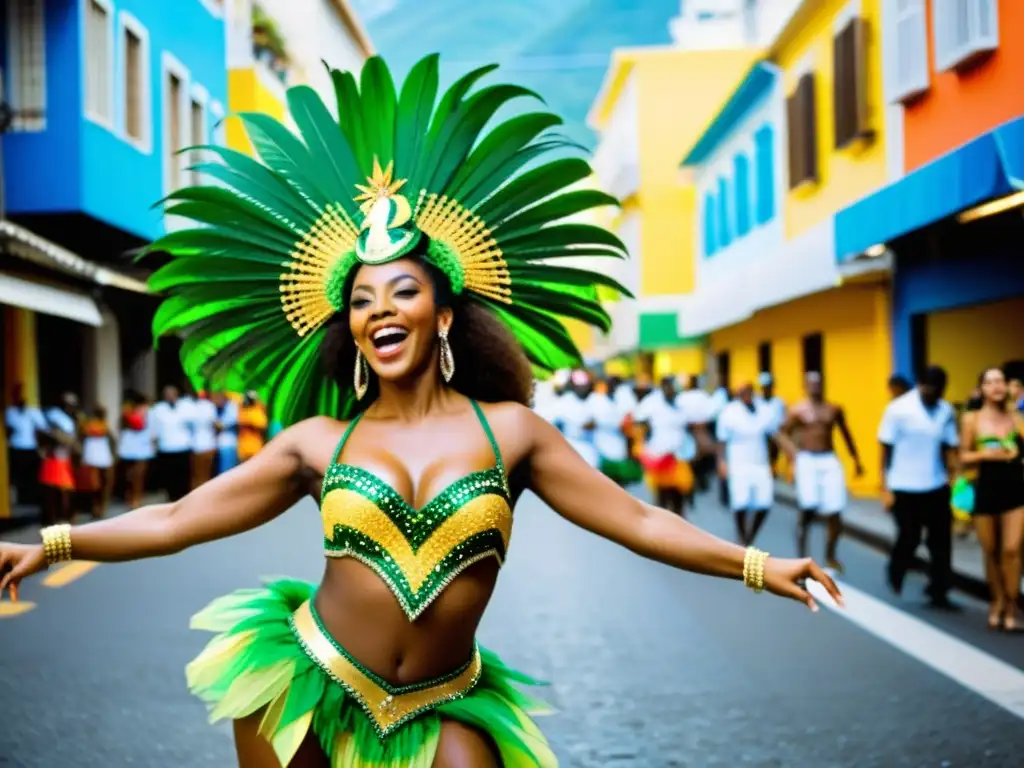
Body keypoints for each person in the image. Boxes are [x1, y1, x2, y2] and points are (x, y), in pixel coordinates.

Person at [0, 54, 840, 768]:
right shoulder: (315, 444)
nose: (380, 309)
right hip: (310, 682)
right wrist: (51, 545)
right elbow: (179, 518)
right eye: (362, 300)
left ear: (443, 315)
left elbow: (636, 520)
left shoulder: (511, 432)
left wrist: (760, 567)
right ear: (350, 327)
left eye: (403, 291)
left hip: (445, 703)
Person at [879, 366, 959, 609]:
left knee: (941, 542)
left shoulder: (946, 410)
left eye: (937, 389)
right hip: (904, 485)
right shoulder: (898, 409)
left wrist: (953, 478)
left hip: (936, 484)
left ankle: (939, 591)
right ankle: (896, 570)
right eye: (928, 387)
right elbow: (885, 447)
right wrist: (885, 486)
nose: (932, 393)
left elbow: (949, 446)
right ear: (920, 385)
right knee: (909, 536)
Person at [958, 367, 1024, 631]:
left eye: (1000, 381)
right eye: (990, 382)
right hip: (985, 489)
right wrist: (987, 455)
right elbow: (962, 456)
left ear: (1007, 387)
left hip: (1016, 489)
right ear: (982, 389)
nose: (996, 386)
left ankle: (1011, 605)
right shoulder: (971, 420)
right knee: (991, 551)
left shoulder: (1018, 418)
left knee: (1012, 550)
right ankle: (996, 601)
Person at [780, 372, 864, 572]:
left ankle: (830, 555)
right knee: (808, 508)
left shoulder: (833, 409)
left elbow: (846, 433)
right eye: (811, 384)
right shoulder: (798, 410)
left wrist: (856, 460)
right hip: (808, 459)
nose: (815, 387)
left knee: (835, 510)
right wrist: (792, 453)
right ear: (805, 386)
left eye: (818, 383)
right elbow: (782, 433)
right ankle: (802, 558)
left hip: (829, 459)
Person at [716, 382, 790, 546]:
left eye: (750, 391)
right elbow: (721, 440)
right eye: (743, 392)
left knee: (764, 503)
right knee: (740, 503)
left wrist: (791, 453)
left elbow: (775, 434)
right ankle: (742, 538)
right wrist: (721, 461)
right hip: (738, 463)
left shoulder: (763, 410)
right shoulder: (729, 412)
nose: (747, 395)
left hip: (760, 463)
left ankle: (749, 538)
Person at [634, 376, 692, 516]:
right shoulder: (652, 403)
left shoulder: (680, 403)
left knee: (679, 494)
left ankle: (679, 528)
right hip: (659, 456)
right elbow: (639, 422)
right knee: (663, 498)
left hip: (679, 455)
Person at [587, 376, 642, 486]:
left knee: (619, 488)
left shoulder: (624, 399)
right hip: (601, 454)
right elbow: (587, 423)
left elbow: (630, 425)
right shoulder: (595, 400)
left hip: (620, 453)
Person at [38, 393, 80, 525]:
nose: (70, 407)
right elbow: (46, 434)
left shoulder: (73, 418)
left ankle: (66, 516)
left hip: (66, 458)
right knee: (51, 491)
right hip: (54, 458)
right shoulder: (53, 415)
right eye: (68, 404)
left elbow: (72, 440)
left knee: (66, 491)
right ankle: (52, 518)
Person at [4, 383, 47, 507]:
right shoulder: (10, 412)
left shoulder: (33, 411)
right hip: (15, 448)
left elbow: (43, 428)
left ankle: (31, 499)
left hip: (31, 447)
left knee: (32, 476)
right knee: (16, 476)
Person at [149, 385, 194, 502]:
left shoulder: (186, 406)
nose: (170, 397)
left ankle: (184, 500)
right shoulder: (158, 409)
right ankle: (171, 499)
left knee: (183, 478)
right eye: (168, 394)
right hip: (166, 449)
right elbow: (153, 429)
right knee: (169, 478)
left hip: (183, 447)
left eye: (173, 394)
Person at [552, 369, 599, 468]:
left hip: (590, 455)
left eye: (585, 385)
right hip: (574, 455)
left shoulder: (590, 400)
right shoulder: (564, 402)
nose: (584, 388)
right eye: (580, 385)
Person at [76, 405, 116, 519]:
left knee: (102, 483)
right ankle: (97, 506)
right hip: (93, 456)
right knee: (95, 484)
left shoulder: (104, 425)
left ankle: (100, 506)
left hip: (102, 455)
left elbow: (112, 441)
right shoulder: (87, 425)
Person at [118, 391, 153, 509]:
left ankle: (137, 498)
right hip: (130, 445)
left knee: (139, 474)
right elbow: (137, 424)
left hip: (141, 445)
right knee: (130, 474)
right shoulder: (127, 412)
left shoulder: (147, 411)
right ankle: (131, 496)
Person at [757, 373, 786, 475]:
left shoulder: (778, 402)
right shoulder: (756, 401)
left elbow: (782, 420)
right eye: (764, 387)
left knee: (773, 457)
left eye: (768, 386)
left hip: (775, 435)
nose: (766, 389)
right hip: (761, 436)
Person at [190, 389, 219, 488]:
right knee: (206, 473)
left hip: (196, 444)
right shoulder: (210, 406)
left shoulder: (193, 406)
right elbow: (215, 424)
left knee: (196, 473)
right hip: (208, 444)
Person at [212, 391, 240, 475]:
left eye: (218, 398)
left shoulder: (231, 408)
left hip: (228, 445)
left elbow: (222, 425)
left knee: (227, 472)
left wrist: (216, 423)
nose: (216, 401)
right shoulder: (218, 409)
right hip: (220, 445)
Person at [237, 391, 269, 463]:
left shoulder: (257, 412)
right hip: (243, 447)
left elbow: (262, 425)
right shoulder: (242, 411)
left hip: (255, 447)